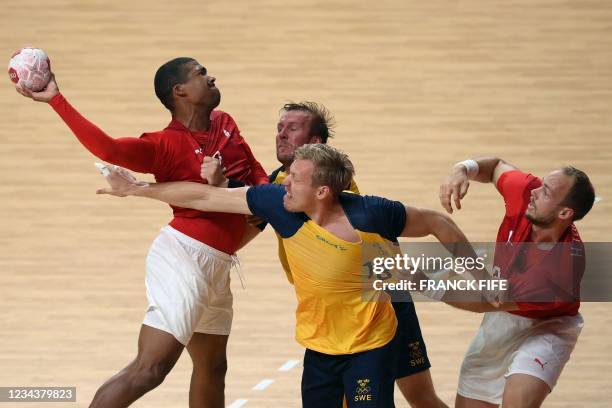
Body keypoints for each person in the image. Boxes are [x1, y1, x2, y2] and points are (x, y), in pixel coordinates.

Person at [96, 143, 472, 407]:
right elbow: (203, 197)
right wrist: (135, 188)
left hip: (370, 343)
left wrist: (475, 272)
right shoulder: (277, 202)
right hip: (320, 347)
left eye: (294, 178)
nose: (284, 183)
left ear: (323, 190)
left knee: (418, 395)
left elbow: (438, 222)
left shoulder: (373, 215)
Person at [16, 57, 268, 408]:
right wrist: (57, 100)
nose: (211, 77)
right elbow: (110, 149)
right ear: (179, 91)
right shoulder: (163, 145)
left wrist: (260, 194)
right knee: (151, 369)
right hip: (184, 258)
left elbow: (255, 169)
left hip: (219, 263)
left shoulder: (225, 123)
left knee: (213, 366)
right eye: (200, 74)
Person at [203, 101, 446, 407]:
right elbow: (249, 224)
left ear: (315, 143)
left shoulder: (333, 185)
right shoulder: (282, 181)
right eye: (280, 128)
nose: (282, 134)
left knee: (421, 397)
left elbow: (314, 225)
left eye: (293, 128)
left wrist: (228, 185)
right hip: (336, 312)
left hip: (377, 302)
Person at [438, 157, 595, 408]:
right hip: (504, 315)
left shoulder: (557, 271)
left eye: (545, 191)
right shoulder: (525, 193)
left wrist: (422, 283)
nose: (534, 191)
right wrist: (462, 169)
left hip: (549, 326)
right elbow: (496, 166)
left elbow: (482, 301)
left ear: (564, 213)